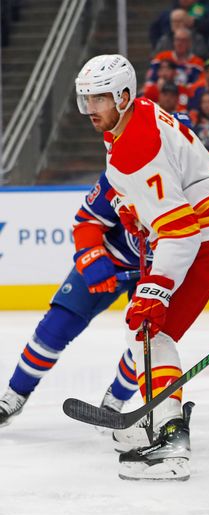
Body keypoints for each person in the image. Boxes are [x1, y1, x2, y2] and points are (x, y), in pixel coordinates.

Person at [75, 53, 209, 481]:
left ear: (122, 95)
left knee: (149, 327)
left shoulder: (135, 146)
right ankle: (159, 415)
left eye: (98, 100)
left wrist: (155, 288)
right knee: (150, 329)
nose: (91, 111)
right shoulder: (131, 117)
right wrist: (131, 206)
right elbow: (163, 184)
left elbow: (182, 232)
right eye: (86, 102)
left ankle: (171, 440)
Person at [0, 174, 144, 427]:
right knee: (55, 327)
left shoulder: (189, 179)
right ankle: (15, 395)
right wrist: (92, 256)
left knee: (148, 338)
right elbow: (88, 220)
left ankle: (115, 401)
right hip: (111, 257)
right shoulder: (124, 168)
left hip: (162, 270)